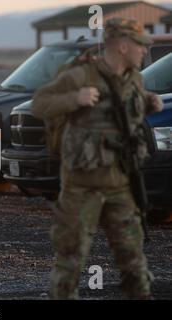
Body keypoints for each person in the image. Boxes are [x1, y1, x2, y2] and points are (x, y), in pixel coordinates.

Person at [31, 18, 163, 299]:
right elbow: (39, 104)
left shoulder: (135, 79)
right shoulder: (82, 76)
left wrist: (149, 101)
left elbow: (127, 116)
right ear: (123, 46)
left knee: (134, 260)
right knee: (70, 260)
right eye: (140, 46)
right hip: (82, 186)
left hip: (121, 183)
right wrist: (74, 99)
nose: (144, 51)